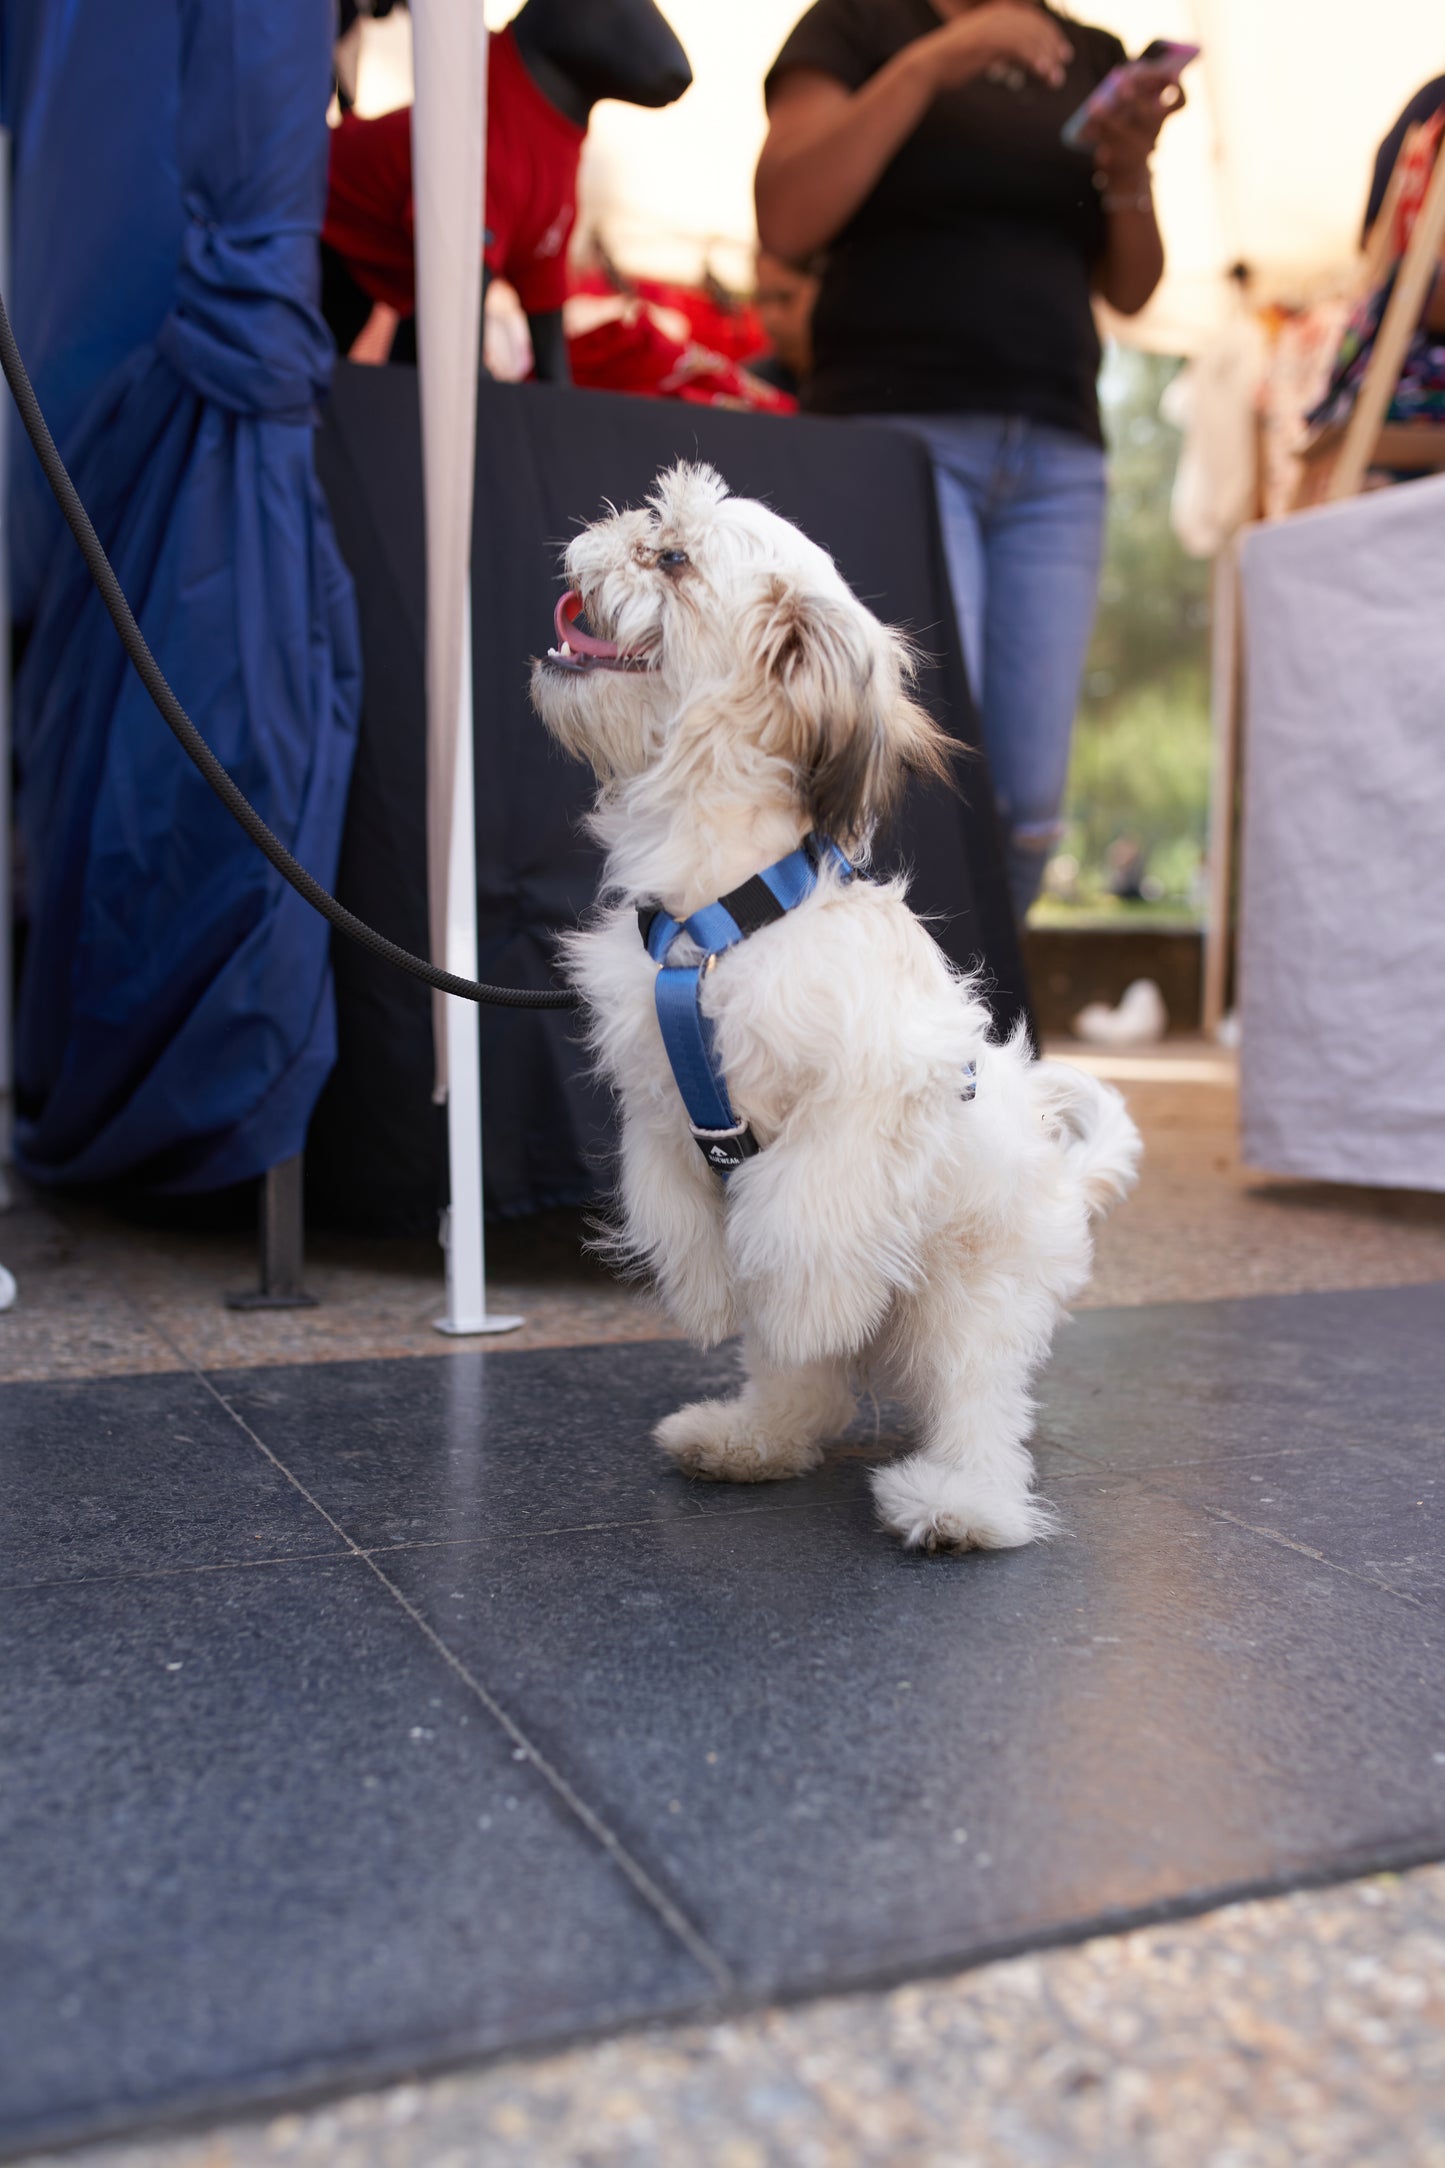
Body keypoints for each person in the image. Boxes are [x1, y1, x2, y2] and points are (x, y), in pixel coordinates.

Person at [755, 0, 1184, 918]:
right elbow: (785, 217)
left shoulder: (1087, 52)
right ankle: (887, 995)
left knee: (1029, 802)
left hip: (1056, 458)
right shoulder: (859, 25)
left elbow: (1132, 287)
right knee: (910, 770)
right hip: (897, 440)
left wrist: (1127, 165)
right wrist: (935, 62)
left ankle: (982, 990)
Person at [749, 247, 821, 397]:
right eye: (763, 299)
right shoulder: (752, 388)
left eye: (785, 298)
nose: (770, 318)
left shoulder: (861, 388)